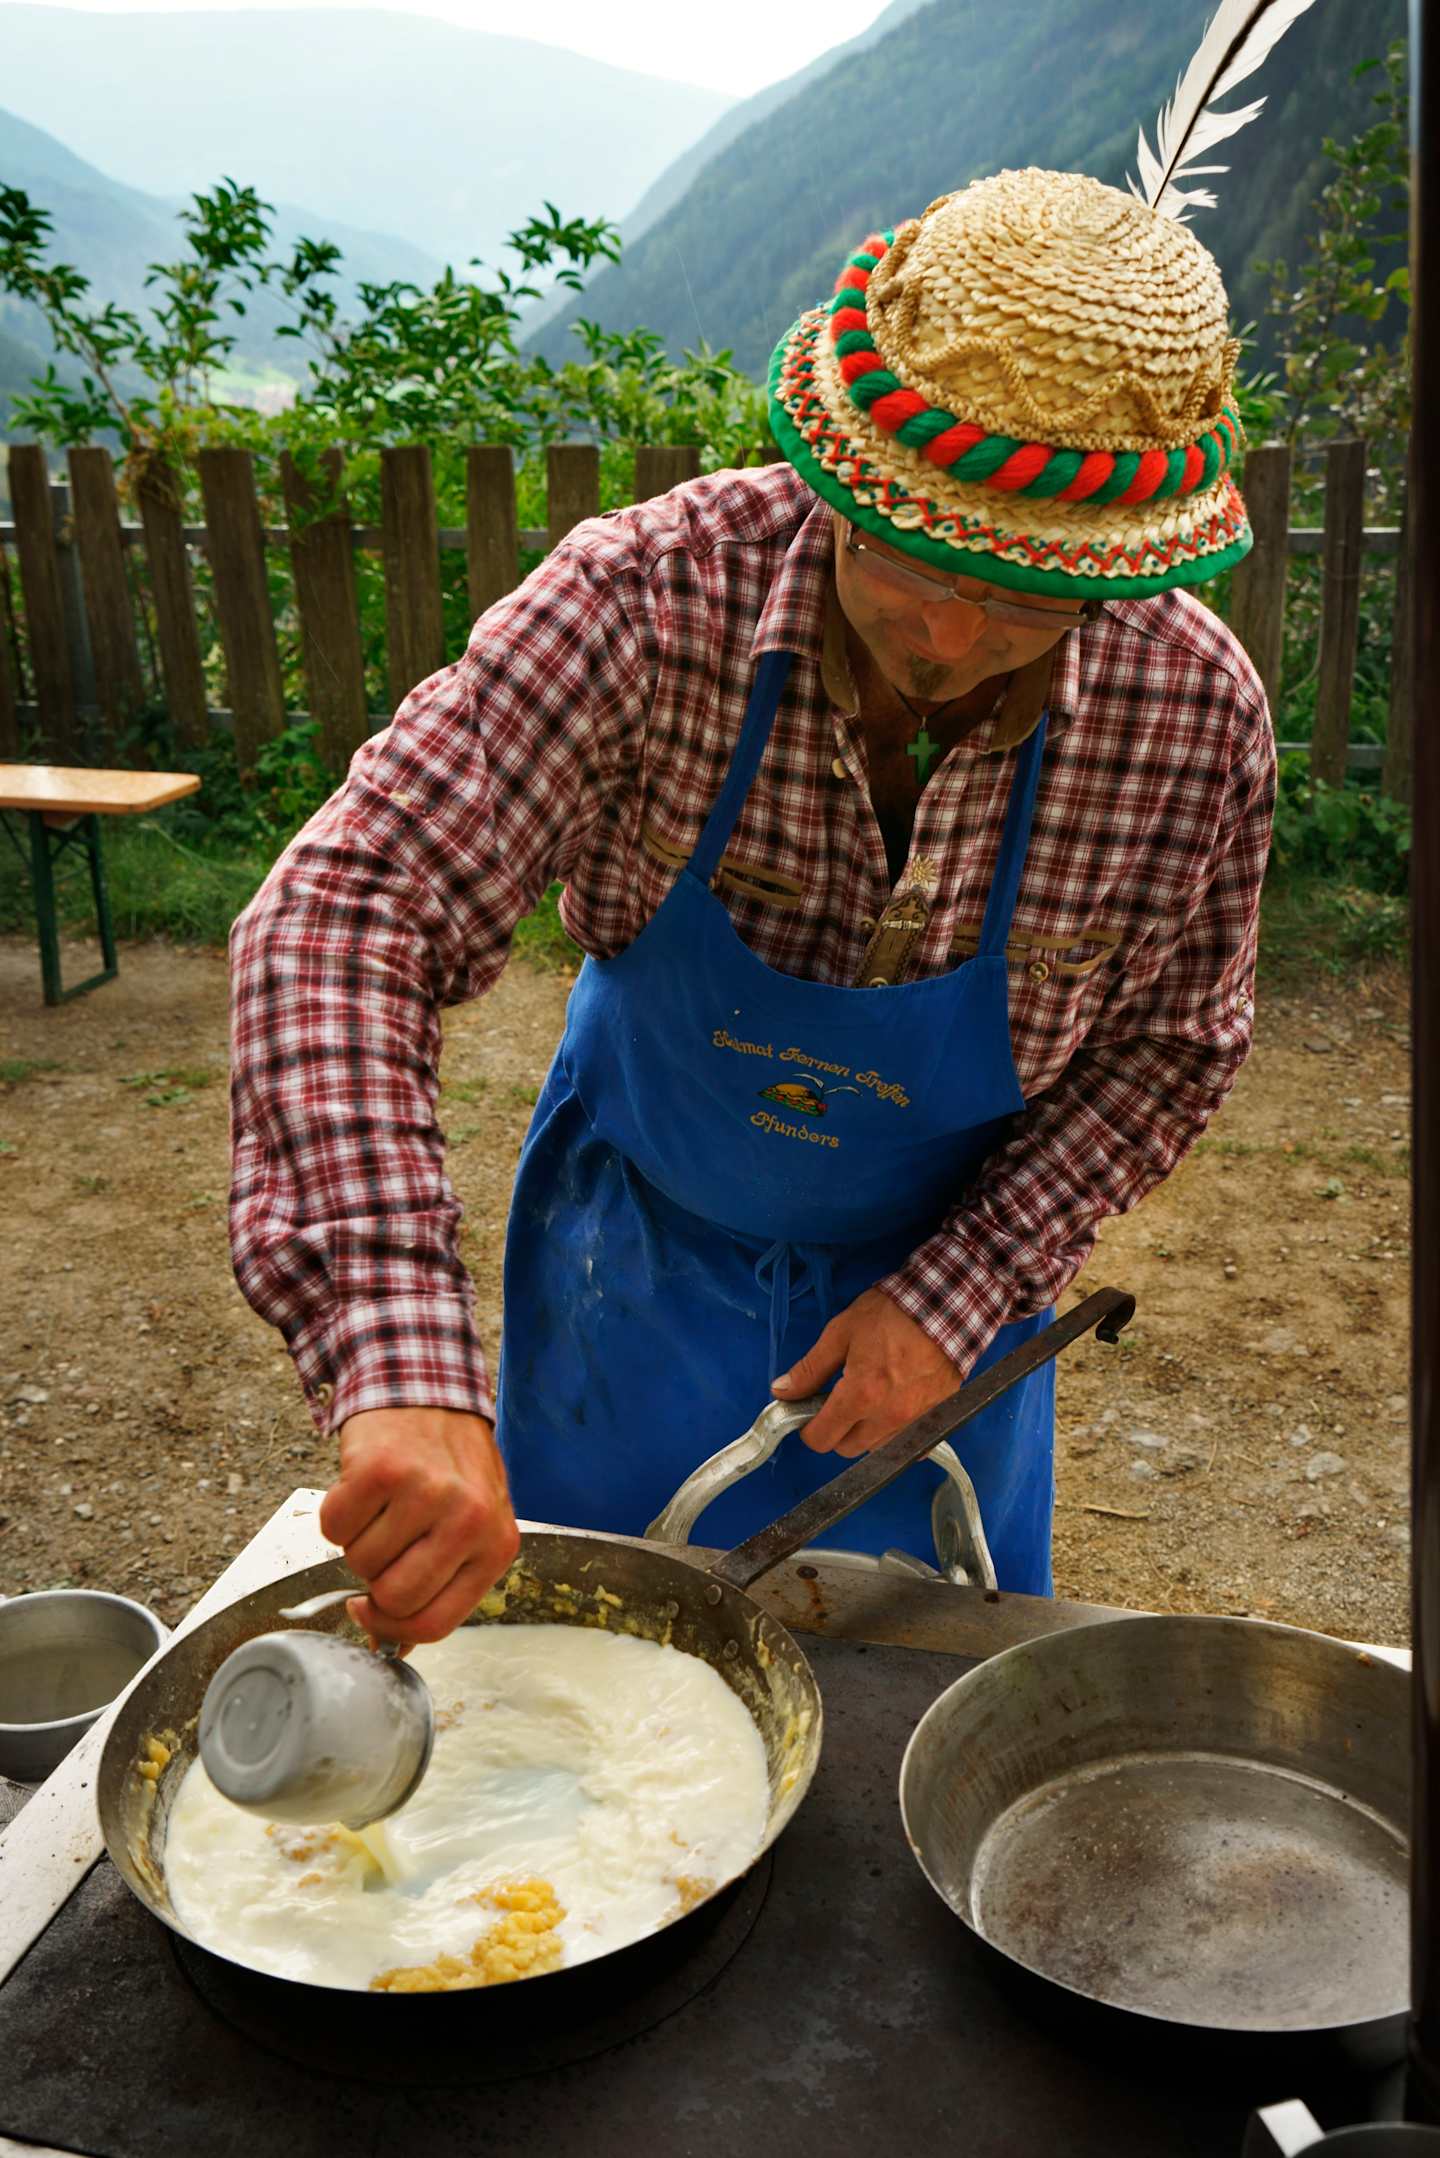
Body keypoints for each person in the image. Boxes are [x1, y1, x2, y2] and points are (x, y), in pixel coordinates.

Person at [229, 169, 1274, 1645]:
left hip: (940, 1319)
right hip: (631, 1264)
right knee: (583, 1692)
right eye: (913, 557)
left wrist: (967, 1290)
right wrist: (402, 1359)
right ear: (839, 482)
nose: (955, 637)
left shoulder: (1193, 717)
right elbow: (346, 908)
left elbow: (1173, 1047)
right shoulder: (650, 607)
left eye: (1030, 593)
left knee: (910, 1709)